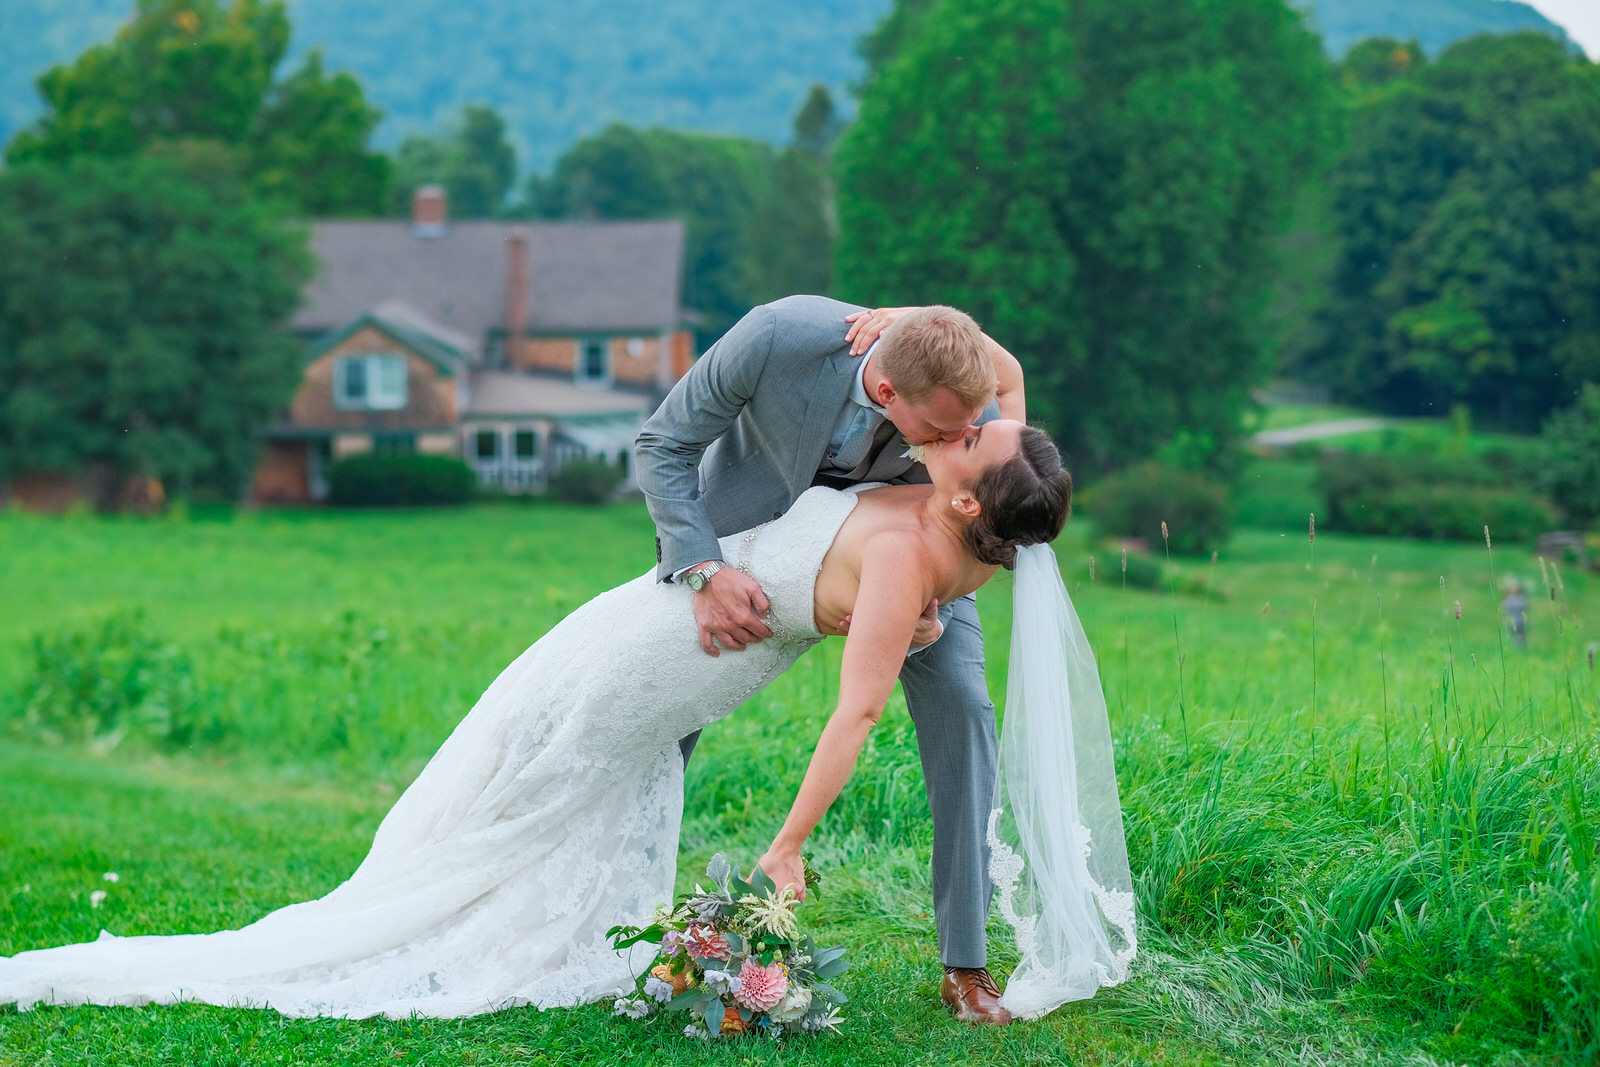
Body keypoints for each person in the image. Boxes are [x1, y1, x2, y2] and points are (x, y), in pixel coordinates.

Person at [0, 420, 1133, 1024]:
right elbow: (970, 443)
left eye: (971, 447)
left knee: (550, 786)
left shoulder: (907, 556)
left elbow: (854, 717)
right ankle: (418, 897)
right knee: (529, 770)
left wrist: (788, 843)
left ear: (968, 502)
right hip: (659, 624)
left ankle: (429, 904)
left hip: (684, 656)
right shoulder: (968, 535)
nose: (961, 430)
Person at [635, 296, 1026, 1023]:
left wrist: (928, 312)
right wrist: (702, 570)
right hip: (748, 544)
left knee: (966, 708)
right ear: (886, 394)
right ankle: (627, 908)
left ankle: (966, 963)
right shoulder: (779, 335)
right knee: (661, 701)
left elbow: (1006, 376)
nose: (961, 440)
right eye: (944, 431)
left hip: (907, 552)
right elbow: (663, 444)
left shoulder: (959, 396)